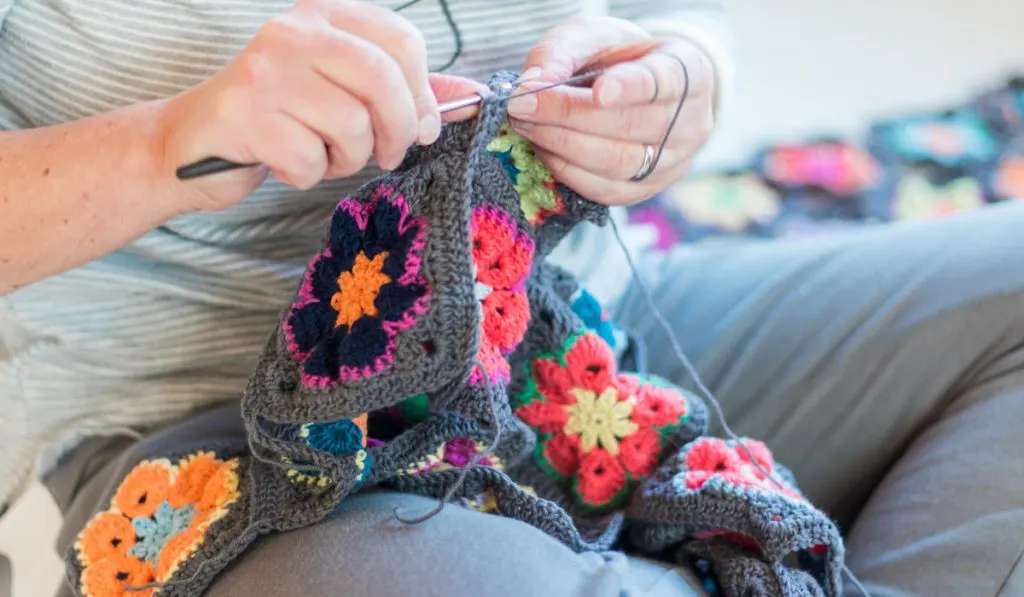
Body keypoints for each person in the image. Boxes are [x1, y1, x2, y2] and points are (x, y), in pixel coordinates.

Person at [0, 1, 1022, 596]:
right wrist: (159, 144)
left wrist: (682, 75)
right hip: (206, 436)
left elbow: (674, 27)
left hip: (583, 344)